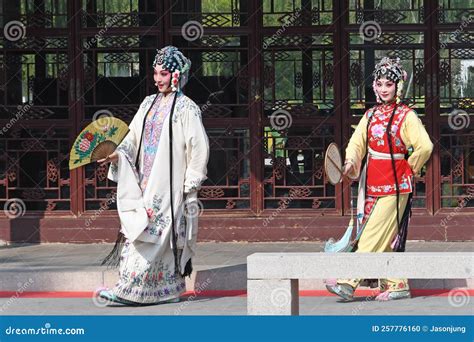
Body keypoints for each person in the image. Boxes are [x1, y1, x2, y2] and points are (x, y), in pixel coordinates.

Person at [96, 46, 209, 305]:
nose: (158, 79)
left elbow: (199, 148)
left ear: (177, 76)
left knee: (156, 235)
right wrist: (118, 154)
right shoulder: (149, 103)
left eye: (164, 74)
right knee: (140, 229)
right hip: (145, 181)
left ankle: (137, 290)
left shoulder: (187, 109)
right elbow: (133, 135)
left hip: (170, 185)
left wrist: (189, 184)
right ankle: (152, 290)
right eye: (156, 73)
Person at [326, 57, 433, 301]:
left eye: (389, 84)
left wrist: (411, 168)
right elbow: (357, 143)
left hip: (396, 185)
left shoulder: (407, 115)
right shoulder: (370, 115)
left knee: (371, 233)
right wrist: (350, 162)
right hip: (371, 182)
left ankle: (348, 280)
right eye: (380, 83)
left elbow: (425, 146)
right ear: (374, 86)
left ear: (398, 87)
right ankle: (397, 284)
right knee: (384, 235)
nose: (384, 89)